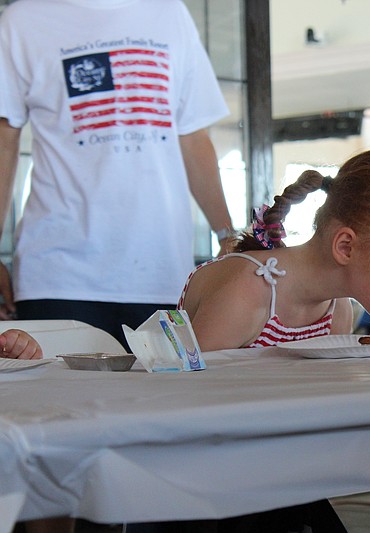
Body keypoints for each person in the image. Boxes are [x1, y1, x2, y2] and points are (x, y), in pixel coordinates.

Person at [130, 147, 370, 533]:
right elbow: (173, 409)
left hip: (272, 481)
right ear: (346, 246)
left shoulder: (337, 309)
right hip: (195, 492)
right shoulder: (250, 294)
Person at [0, 0, 235, 348]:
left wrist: (227, 234)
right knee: (57, 401)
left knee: (166, 402)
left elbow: (193, 136)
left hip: (163, 273)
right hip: (57, 273)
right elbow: (5, 142)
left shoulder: (169, 12)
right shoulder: (24, 19)